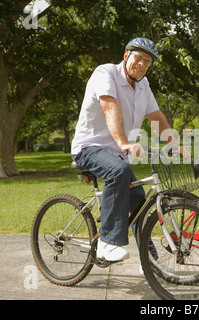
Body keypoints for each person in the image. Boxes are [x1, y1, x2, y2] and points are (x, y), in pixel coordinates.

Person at [71, 37, 177, 262]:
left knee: (139, 204)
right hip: (90, 147)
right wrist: (124, 143)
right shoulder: (105, 73)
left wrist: (175, 146)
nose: (141, 64)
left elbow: (155, 117)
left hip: (117, 155)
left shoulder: (143, 85)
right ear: (126, 55)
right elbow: (109, 106)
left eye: (147, 61)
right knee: (118, 170)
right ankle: (107, 243)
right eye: (138, 57)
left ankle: (148, 260)